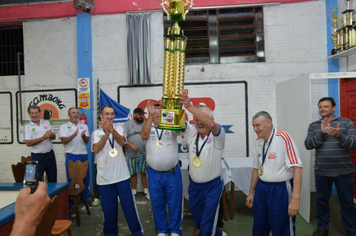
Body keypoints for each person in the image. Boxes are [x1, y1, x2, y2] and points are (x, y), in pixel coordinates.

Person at [304, 97, 356, 236]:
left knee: (347, 203)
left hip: (344, 171)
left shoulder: (346, 123)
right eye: (320, 106)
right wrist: (321, 133)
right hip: (322, 172)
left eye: (326, 106)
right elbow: (308, 145)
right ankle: (323, 228)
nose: (322, 109)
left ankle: (352, 230)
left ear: (333, 108)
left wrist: (339, 135)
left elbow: (354, 144)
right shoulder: (314, 126)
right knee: (322, 202)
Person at [246, 111, 303, 236]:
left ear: (269, 123)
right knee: (259, 225)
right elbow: (256, 169)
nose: (255, 129)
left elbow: (298, 169)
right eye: (253, 126)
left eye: (258, 125)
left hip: (281, 189)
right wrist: (251, 192)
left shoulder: (283, 137)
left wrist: (295, 199)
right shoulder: (258, 142)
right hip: (261, 189)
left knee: (281, 227)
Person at [180, 89, 227, 236]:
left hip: (212, 186)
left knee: (207, 223)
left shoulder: (218, 135)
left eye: (202, 119)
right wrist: (173, 103)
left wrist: (190, 106)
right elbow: (175, 120)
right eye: (196, 119)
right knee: (200, 222)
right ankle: (219, 234)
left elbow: (212, 125)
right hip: (194, 186)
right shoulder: (191, 131)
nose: (199, 122)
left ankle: (213, 232)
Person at [92, 105, 143, 236]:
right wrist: (106, 133)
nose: (110, 116)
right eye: (107, 114)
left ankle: (137, 233)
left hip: (122, 176)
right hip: (105, 179)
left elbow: (121, 142)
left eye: (112, 114)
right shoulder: (96, 133)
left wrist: (112, 130)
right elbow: (96, 149)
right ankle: (110, 233)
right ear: (101, 116)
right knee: (109, 211)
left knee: (129, 208)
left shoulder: (120, 128)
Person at [141, 101, 183, 236]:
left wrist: (174, 110)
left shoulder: (171, 126)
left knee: (175, 201)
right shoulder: (148, 127)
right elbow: (143, 136)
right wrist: (149, 116)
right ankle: (163, 228)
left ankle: (175, 229)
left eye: (160, 113)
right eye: (155, 113)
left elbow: (180, 128)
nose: (157, 115)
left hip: (172, 172)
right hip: (154, 173)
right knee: (157, 202)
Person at [59, 107, 91, 204]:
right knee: (71, 179)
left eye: (77, 112)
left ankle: (86, 199)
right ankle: (71, 202)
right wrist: (74, 134)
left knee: (85, 178)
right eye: (73, 113)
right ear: (69, 115)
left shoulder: (84, 126)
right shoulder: (64, 126)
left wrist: (83, 136)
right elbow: (64, 141)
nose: (76, 114)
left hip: (83, 155)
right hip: (71, 155)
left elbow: (87, 141)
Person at [23, 105, 57, 182]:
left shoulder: (46, 123)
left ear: (39, 113)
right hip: (37, 156)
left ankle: (52, 194)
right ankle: (38, 194)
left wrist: (51, 135)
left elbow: (54, 137)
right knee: (35, 180)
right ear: (29, 114)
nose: (34, 115)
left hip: (50, 155)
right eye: (32, 113)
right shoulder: (27, 127)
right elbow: (28, 143)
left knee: (53, 178)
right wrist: (44, 137)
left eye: (36, 113)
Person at [124, 107, 149, 200]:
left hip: (143, 154)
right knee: (133, 174)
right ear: (134, 114)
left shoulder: (145, 124)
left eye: (142, 114)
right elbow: (122, 139)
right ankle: (134, 192)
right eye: (139, 114)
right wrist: (131, 145)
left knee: (144, 173)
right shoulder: (127, 124)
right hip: (131, 155)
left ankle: (146, 191)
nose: (141, 116)